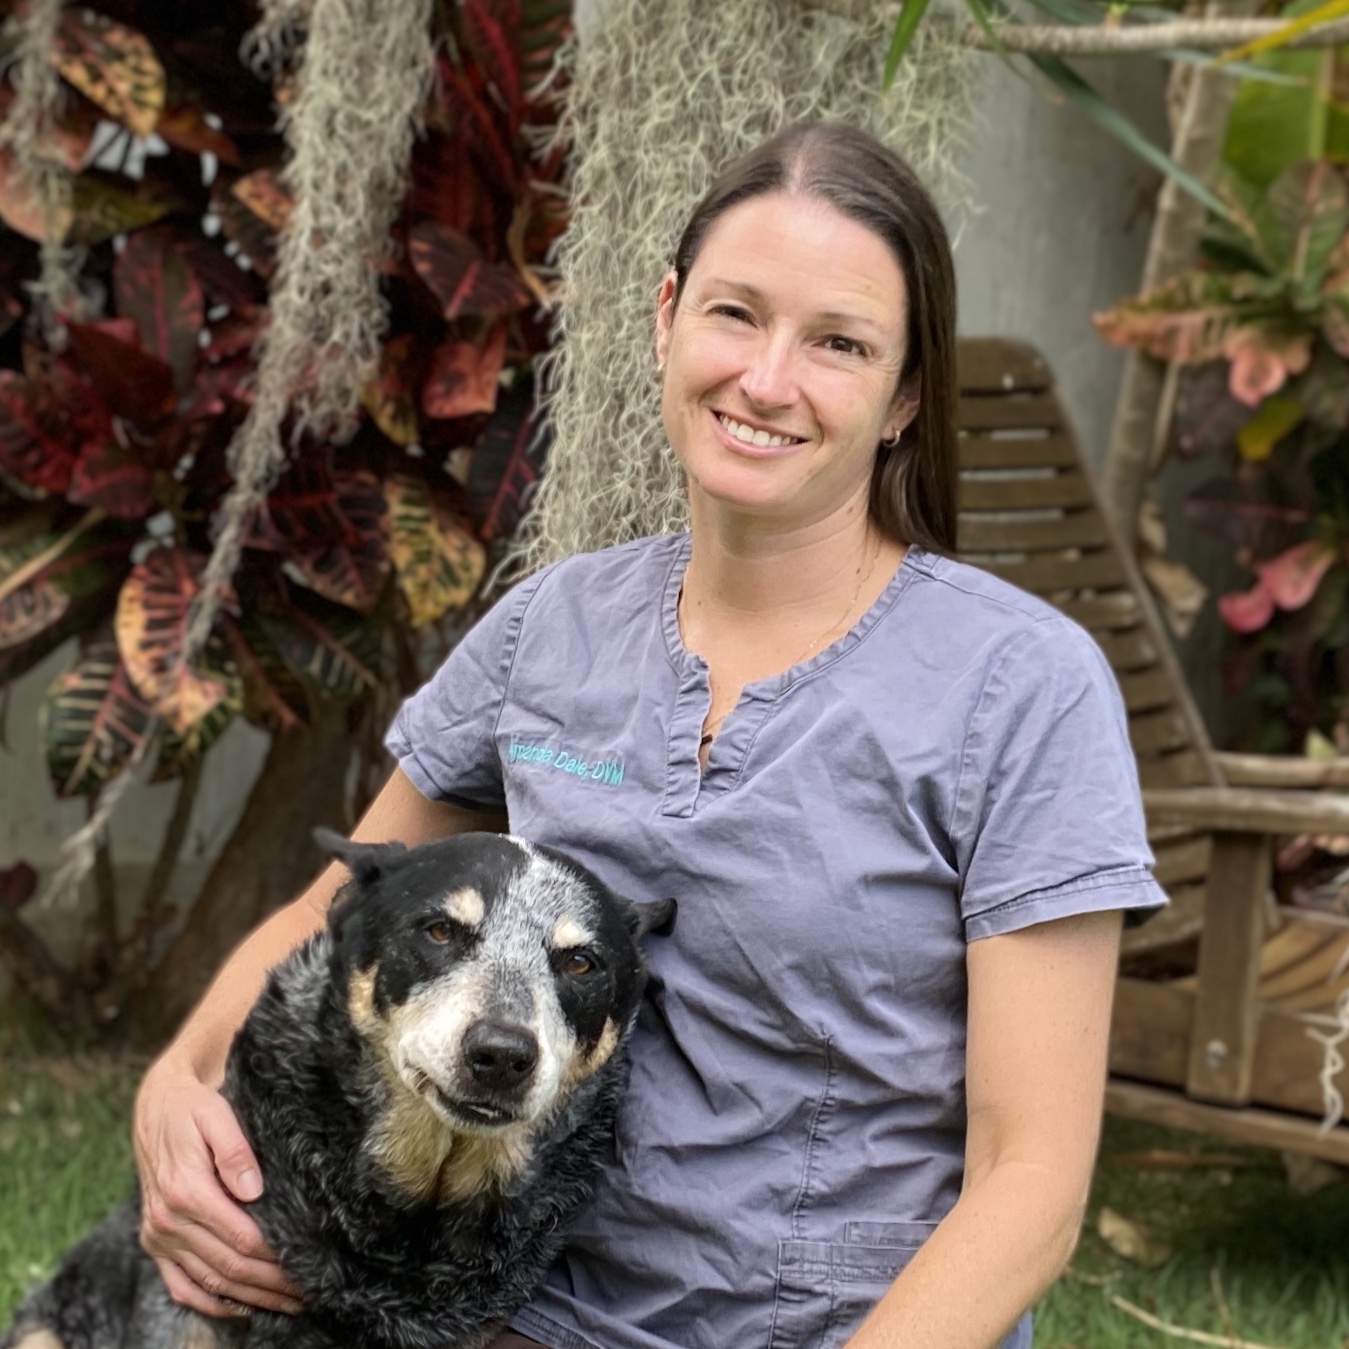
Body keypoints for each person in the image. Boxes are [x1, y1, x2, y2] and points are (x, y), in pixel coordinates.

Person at [133, 121, 1165, 1349]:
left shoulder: (1021, 687)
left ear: (903, 397)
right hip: (521, 1316)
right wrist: (174, 1084)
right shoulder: (553, 627)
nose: (767, 379)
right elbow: (338, 901)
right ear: (665, 317)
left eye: (837, 342)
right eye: (735, 314)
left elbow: (1031, 1177)